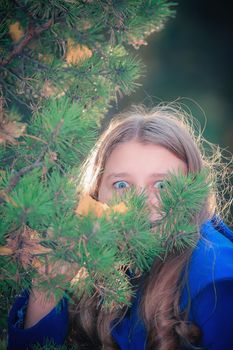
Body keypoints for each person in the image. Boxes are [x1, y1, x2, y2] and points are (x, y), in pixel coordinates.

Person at [7, 104, 233, 350]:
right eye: (122, 185)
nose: (140, 204)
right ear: (96, 192)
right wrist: (48, 287)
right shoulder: (102, 267)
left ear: (194, 190)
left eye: (163, 186)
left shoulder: (218, 282)